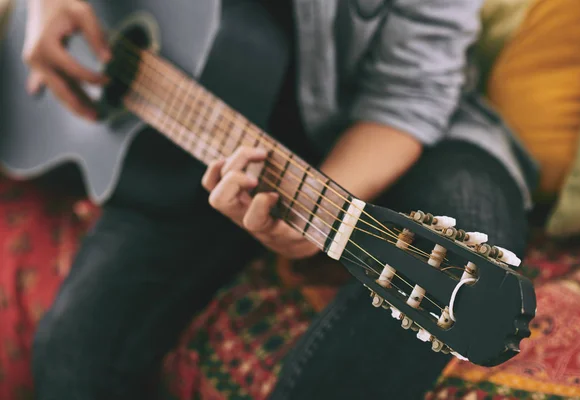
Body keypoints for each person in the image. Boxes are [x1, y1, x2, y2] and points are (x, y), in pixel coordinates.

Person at [22, 0, 539, 399]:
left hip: (390, 134)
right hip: (184, 141)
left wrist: (314, 208)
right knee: (72, 351)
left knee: (469, 240)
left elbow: (410, 96)